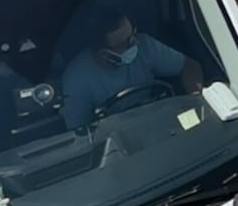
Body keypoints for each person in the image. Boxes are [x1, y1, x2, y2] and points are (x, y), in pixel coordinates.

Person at [60, 10, 204, 129]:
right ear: (105, 55)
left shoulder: (145, 46)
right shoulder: (76, 80)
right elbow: (79, 133)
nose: (135, 42)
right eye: (127, 43)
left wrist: (197, 101)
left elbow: (190, 66)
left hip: (159, 121)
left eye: (133, 34)